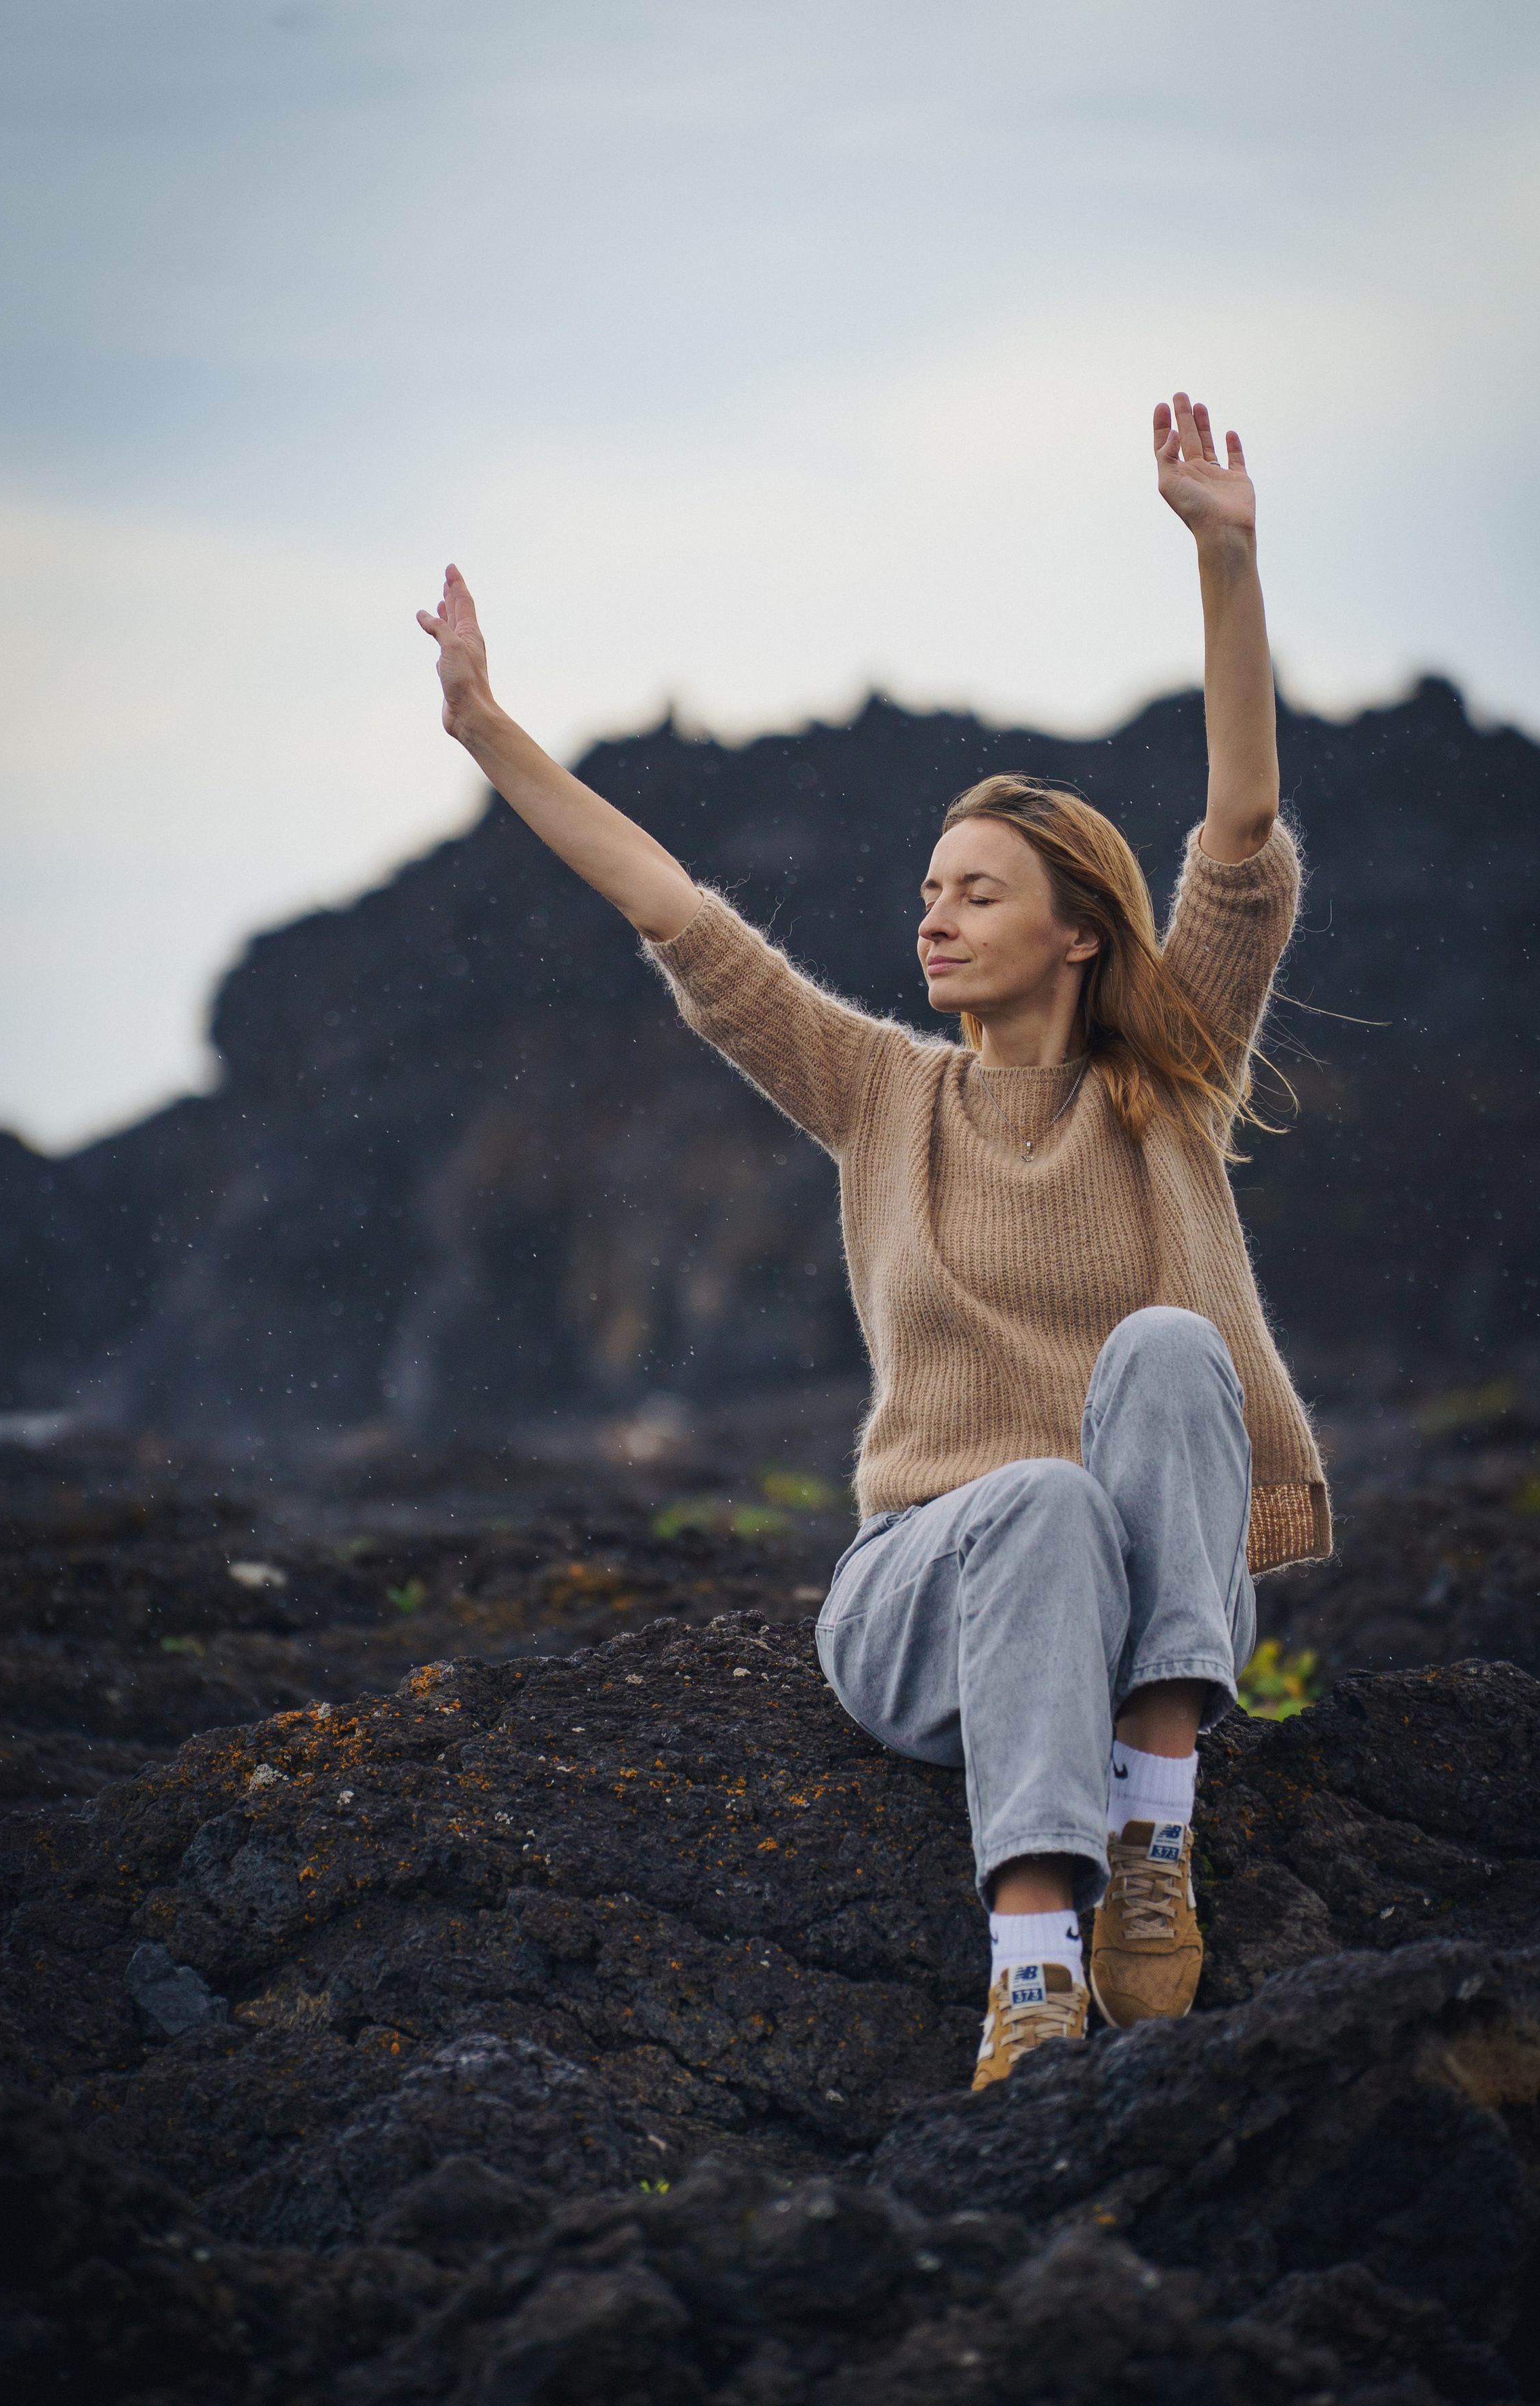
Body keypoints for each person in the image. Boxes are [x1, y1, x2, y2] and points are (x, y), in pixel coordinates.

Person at [418, 392, 1329, 2091]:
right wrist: (490, 732)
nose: (933, 914)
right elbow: (675, 911)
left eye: (977, 893)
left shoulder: (1164, 1086)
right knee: (1038, 1497)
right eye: (926, 888)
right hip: (920, 1601)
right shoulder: (874, 1095)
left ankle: (1153, 1845)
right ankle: (1033, 1973)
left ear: (1075, 936)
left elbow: (1238, 842)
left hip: (1127, 1619)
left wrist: (1224, 558)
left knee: (1165, 1348)